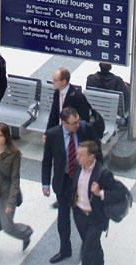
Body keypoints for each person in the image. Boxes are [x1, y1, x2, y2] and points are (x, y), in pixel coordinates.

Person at [42, 107, 98, 263]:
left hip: (82, 180)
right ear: (64, 123)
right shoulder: (53, 135)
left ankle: (87, 249)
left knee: (83, 219)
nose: (77, 125)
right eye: (73, 123)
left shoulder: (84, 130)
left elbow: (96, 151)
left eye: (78, 121)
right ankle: (65, 249)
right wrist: (45, 183)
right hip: (64, 181)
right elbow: (47, 160)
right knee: (63, 219)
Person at [0, 123, 33, 265]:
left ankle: (25, 233)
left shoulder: (14, 154)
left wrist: (11, 203)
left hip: (5, 194)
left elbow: (15, 180)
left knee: (7, 226)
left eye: (0, 136)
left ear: (6, 137)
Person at [72, 140, 121, 265]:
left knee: (87, 251)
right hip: (79, 214)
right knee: (93, 246)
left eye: (81, 155)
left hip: (96, 217)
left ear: (91, 157)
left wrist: (100, 193)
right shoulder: (78, 166)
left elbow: (119, 194)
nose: (77, 158)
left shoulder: (103, 173)